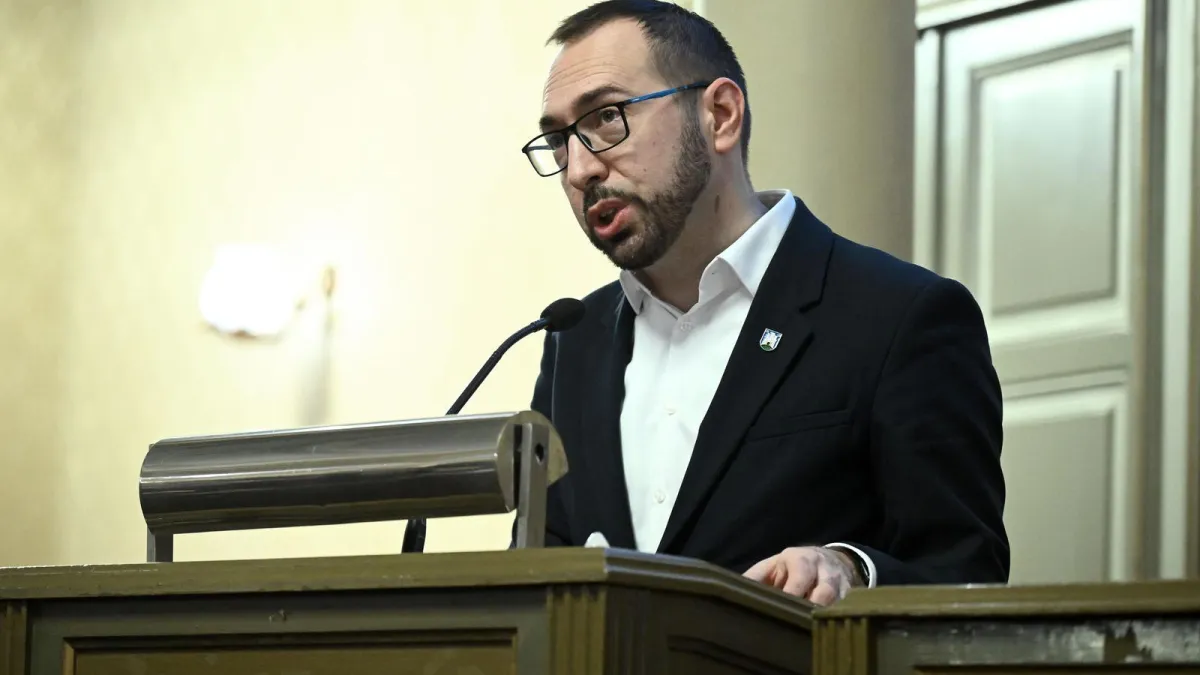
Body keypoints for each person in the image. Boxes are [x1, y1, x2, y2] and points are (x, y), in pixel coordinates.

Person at [515, 0, 1010, 606]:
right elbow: (536, 578)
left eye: (607, 118)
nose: (579, 170)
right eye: (559, 141)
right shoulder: (573, 339)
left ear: (720, 116)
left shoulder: (900, 317)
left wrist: (852, 571)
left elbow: (964, 575)